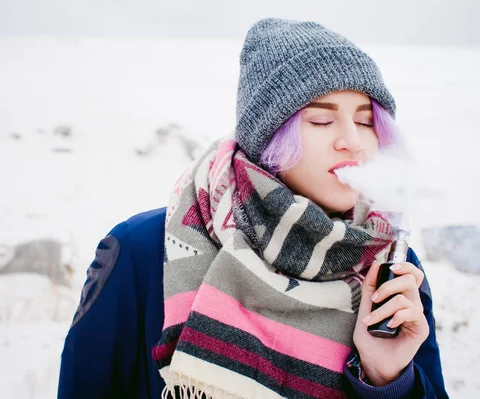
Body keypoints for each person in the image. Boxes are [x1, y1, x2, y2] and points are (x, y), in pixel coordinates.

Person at [57, 18, 449, 399]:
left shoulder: (389, 270)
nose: (353, 141)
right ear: (268, 136)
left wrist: (389, 379)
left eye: (365, 121)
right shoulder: (142, 252)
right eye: (320, 119)